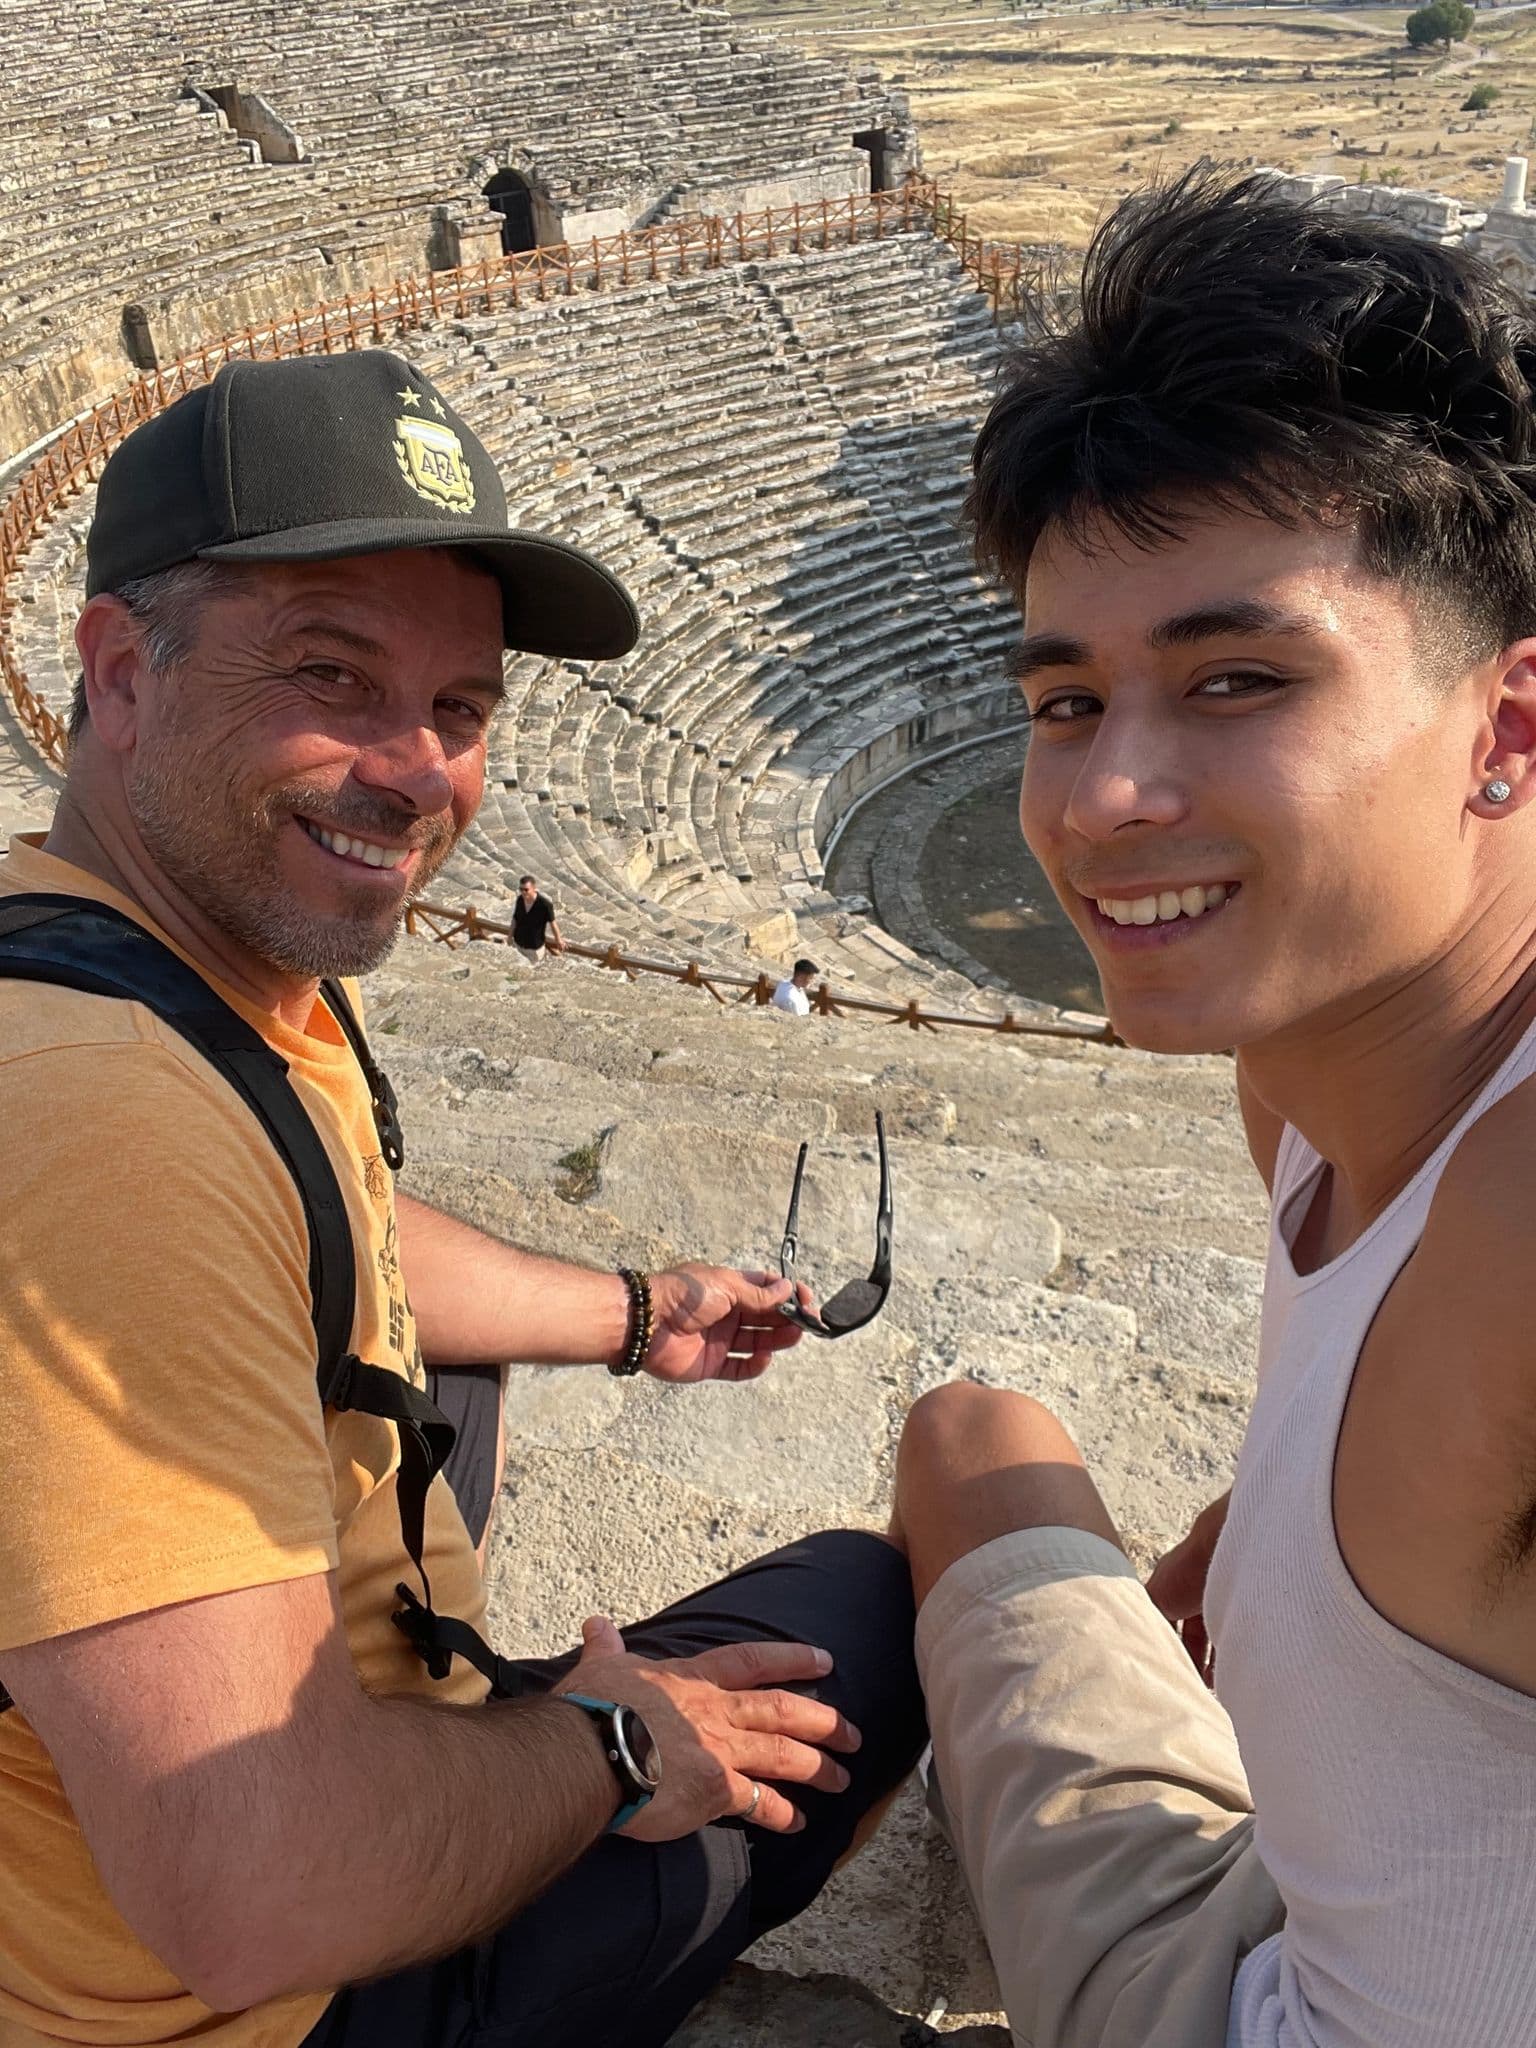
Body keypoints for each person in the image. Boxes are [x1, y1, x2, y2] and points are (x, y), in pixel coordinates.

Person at [0, 349, 925, 2048]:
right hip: (270, 1994)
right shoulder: (107, 1130)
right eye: (332, 675)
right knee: (874, 1611)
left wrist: (636, 1313)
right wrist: (617, 1741)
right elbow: (253, 1889)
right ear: (120, 675)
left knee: (459, 1378)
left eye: (461, 708)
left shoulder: (119, 949)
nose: (420, 772)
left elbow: (325, 1226)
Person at [890, 171, 1536, 2048]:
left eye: (1236, 680)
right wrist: (1277, 1539)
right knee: (975, 1439)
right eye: (1068, 700)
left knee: (965, 1442)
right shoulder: (1308, 1088)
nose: (1103, 798)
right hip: (1331, 1876)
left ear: (1506, 727)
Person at [511, 873, 562, 963]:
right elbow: (515, 919)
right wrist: (509, 937)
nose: (523, 892)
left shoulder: (545, 905)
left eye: (526, 890)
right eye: (521, 889)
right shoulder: (520, 899)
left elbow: (553, 924)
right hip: (518, 944)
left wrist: (558, 940)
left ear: (534, 888)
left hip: (534, 949)